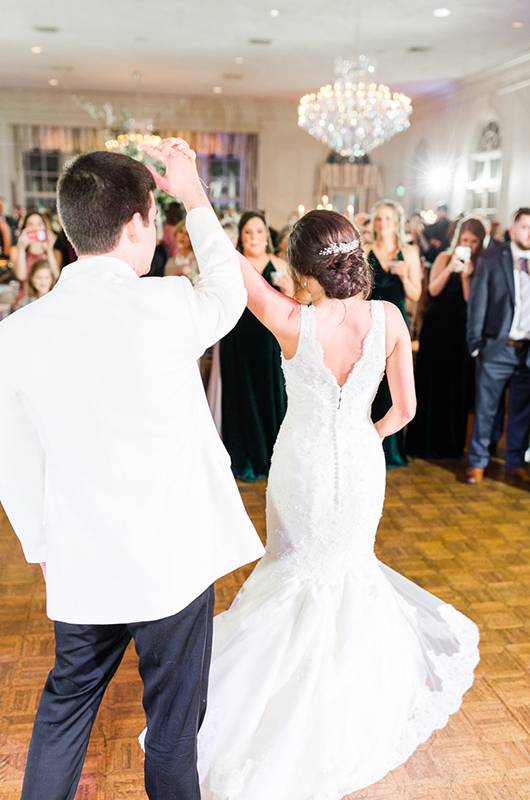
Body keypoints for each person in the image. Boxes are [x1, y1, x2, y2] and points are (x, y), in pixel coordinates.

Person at [0, 139, 264, 800]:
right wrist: (194, 191)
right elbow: (229, 291)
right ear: (137, 224)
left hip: (81, 559)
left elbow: (13, 457)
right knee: (173, 735)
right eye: (154, 218)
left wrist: (39, 544)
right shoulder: (168, 305)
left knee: (64, 713)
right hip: (171, 565)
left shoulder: (18, 335)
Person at [187, 208, 479, 799]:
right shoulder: (390, 317)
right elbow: (404, 412)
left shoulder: (294, 319)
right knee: (347, 570)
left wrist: (195, 198)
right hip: (361, 464)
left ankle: (288, 703)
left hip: (303, 465)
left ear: (300, 268)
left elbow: (231, 265)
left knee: (291, 570)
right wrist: (360, 439)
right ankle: (346, 693)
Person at [407, 217, 486, 459]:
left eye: (473, 241)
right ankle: (424, 442)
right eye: (464, 240)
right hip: (437, 326)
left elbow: (471, 301)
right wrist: (452, 268)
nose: (468, 245)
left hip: (461, 330)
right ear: (457, 239)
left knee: (455, 385)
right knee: (431, 382)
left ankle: (449, 444)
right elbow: (432, 290)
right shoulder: (443, 257)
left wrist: (465, 276)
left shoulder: (481, 264)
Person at [220, 210, 289, 481]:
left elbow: (297, 305)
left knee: (270, 394)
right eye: (248, 232)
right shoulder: (232, 264)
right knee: (240, 396)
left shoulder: (280, 264)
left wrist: (286, 290)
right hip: (237, 338)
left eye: (259, 231)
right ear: (241, 236)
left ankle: (271, 458)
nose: (254, 237)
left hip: (269, 340)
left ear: (267, 236)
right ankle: (244, 456)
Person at [466, 207, 530, 484]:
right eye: (525, 226)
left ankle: (514, 461)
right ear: (513, 229)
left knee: (521, 412)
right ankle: (478, 461)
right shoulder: (493, 259)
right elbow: (478, 303)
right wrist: (476, 345)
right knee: (486, 409)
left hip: (527, 351)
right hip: (496, 347)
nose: (529, 232)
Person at [368, 200, 422, 467]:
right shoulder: (367, 250)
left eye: (388, 219)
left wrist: (403, 276)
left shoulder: (409, 252)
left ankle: (393, 450)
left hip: (396, 321)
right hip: (369, 319)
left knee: (395, 381)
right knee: (371, 381)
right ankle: (369, 438)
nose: (383, 224)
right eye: (379, 219)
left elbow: (416, 294)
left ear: (396, 222)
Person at [12, 211, 60, 282]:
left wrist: (49, 250)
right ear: (24, 228)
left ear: (45, 227)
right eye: (30, 224)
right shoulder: (15, 250)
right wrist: (21, 249)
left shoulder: (55, 252)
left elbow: (55, 276)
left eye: (39, 224)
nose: (35, 228)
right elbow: (21, 277)